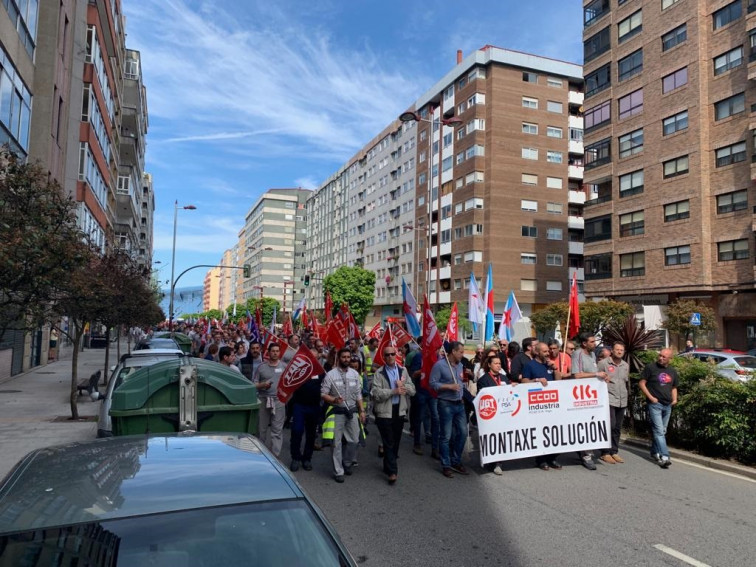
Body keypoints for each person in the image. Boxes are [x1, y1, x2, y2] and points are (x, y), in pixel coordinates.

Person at [371, 345, 415, 485]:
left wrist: (404, 387)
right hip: (384, 412)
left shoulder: (403, 371)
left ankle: (387, 464)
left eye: (392, 354)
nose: (390, 357)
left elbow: (413, 390)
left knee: (395, 441)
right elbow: (376, 394)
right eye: (387, 355)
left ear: (396, 355)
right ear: (383, 357)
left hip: (399, 411)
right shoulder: (379, 373)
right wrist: (393, 391)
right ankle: (392, 471)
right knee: (389, 441)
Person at [321, 347, 366, 483]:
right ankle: (338, 471)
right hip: (337, 412)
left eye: (348, 357)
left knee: (354, 440)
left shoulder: (355, 374)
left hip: (352, 411)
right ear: (339, 358)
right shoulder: (330, 375)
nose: (346, 359)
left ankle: (347, 463)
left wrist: (362, 410)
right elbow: (323, 394)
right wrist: (334, 400)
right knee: (336, 443)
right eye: (343, 357)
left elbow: (358, 394)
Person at [430, 341, 469, 478]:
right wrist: (448, 387)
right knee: (446, 436)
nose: (462, 354)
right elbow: (433, 383)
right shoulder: (439, 365)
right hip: (446, 403)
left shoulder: (460, 365)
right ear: (453, 351)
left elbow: (461, 383)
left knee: (463, 433)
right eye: (461, 352)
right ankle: (446, 464)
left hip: (459, 404)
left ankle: (456, 460)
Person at [522, 342, 562, 471]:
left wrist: (555, 369)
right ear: (538, 352)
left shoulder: (549, 364)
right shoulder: (530, 365)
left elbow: (559, 381)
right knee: (541, 432)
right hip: (537, 404)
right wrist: (536, 381)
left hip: (552, 403)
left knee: (554, 431)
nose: (548, 353)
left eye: (548, 351)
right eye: (544, 351)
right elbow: (524, 381)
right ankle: (541, 459)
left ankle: (552, 457)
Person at [571, 333, 608, 471]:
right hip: (581, 396)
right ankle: (586, 455)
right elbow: (577, 375)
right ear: (584, 343)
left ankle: (585, 450)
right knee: (585, 424)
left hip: (593, 395)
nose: (594, 343)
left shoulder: (592, 355)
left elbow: (593, 373)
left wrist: (602, 377)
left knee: (593, 423)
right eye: (592, 341)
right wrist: (596, 374)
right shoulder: (577, 354)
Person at [639, 348, 678, 468]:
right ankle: (665, 456)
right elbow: (641, 383)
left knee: (662, 431)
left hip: (667, 405)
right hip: (655, 404)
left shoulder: (672, 371)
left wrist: (675, 399)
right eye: (660, 356)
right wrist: (651, 398)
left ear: (670, 359)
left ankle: (654, 452)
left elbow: (674, 387)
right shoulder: (651, 368)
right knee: (659, 431)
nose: (661, 358)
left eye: (664, 357)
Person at [289, 346, 324, 473]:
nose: (312, 359)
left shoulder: (321, 372)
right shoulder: (298, 370)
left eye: (315, 357)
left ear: (318, 358)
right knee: (297, 431)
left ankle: (307, 458)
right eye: (310, 357)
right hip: (299, 406)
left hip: (314, 406)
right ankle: (295, 458)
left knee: (311, 434)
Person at [597, 342, 630, 464]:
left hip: (622, 400)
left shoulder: (625, 365)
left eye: (622, 350)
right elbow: (596, 380)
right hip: (608, 399)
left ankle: (614, 451)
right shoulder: (603, 363)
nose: (620, 352)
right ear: (612, 351)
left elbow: (625, 381)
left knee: (617, 427)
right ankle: (605, 452)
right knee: (609, 426)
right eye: (617, 349)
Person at [253, 343, 286, 457]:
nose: (275, 353)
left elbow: (289, 385)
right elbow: (254, 384)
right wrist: (262, 385)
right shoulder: (261, 367)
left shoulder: (284, 367)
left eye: (277, 351)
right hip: (263, 399)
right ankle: (261, 455)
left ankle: (275, 456)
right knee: (261, 429)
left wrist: (285, 399)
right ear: (268, 352)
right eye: (273, 351)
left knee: (277, 430)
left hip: (278, 401)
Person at [477, 353, 508, 475]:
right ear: (489, 365)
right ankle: (490, 461)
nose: (498, 365)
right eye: (495, 363)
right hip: (491, 414)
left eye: (499, 363)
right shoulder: (483, 380)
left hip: (503, 414)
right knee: (491, 439)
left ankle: (498, 463)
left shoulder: (504, 378)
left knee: (501, 438)